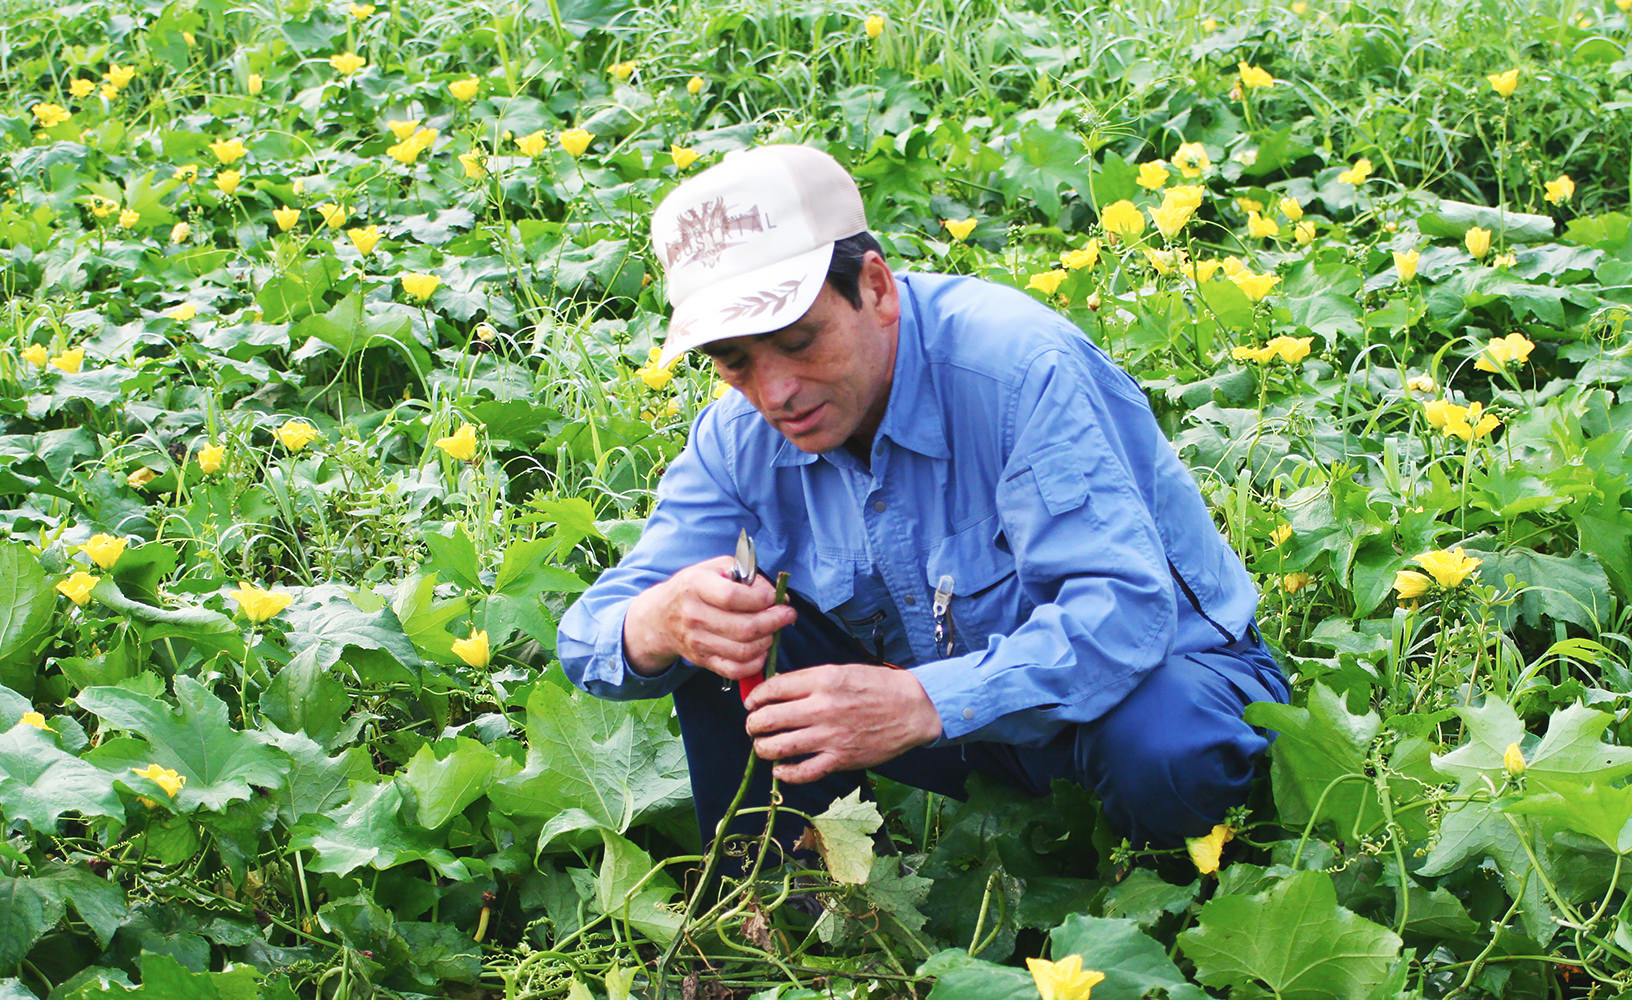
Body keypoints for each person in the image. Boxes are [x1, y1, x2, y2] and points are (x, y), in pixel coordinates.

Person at [556, 143, 1288, 855]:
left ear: (874, 286)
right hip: (963, 727)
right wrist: (661, 622)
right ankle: (786, 907)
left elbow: (1126, 615)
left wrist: (922, 702)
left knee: (1163, 750)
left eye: (801, 341)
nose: (775, 392)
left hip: (1155, 684)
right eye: (736, 363)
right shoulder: (737, 438)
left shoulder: (1016, 369)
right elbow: (589, 633)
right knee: (723, 628)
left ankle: (1183, 893)